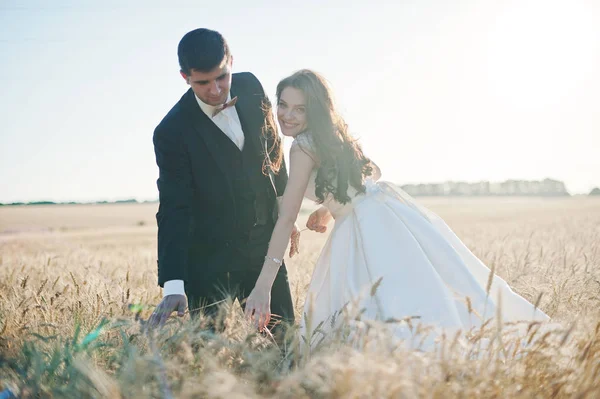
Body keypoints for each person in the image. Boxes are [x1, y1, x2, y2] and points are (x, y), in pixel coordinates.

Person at [243, 69, 550, 347]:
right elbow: (372, 172)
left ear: (315, 110)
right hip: (389, 211)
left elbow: (286, 219)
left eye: (300, 109)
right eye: (283, 105)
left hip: (364, 229)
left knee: (382, 307)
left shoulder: (302, 147)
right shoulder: (334, 134)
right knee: (421, 292)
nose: (288, 116)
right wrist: (329, 207)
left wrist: (263, 287)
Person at [148, 28, 298, 337]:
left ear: (231, 61)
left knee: (286, 346)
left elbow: (272, 147)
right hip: (208, 260)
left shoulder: (251, 85)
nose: (216, 90)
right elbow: (175, 207)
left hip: (263, 246)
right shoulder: (171, 132)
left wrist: (285, 212)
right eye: (202, 83)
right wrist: (174, 284)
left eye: (222, 77)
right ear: (184, 77)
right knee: (208, 355)